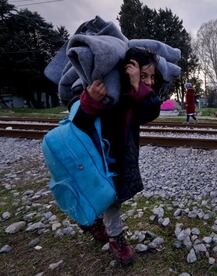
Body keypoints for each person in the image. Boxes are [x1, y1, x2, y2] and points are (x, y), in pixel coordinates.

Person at [71, 47, 166, 265]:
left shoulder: (133, 96)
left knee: (111, 197)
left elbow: (152, 110)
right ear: (126, 71)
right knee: (111, 199)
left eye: (152, 77)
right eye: (144, 76)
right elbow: (78, 124)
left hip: (121, 159)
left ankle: (95, 222)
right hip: (98, 158)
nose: (150, 82)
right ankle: (115, 238)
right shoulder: (105, 92)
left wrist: (137, 84)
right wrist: (90, 101)